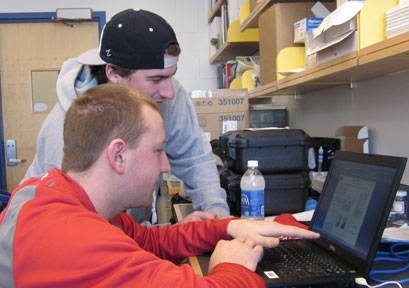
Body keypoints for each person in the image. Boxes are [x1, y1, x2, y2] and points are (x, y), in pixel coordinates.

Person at [0, 84, 319, 287]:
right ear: (118, 155)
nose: (167, 166)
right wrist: (231, 268)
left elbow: (149, 240)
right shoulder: (76, 239)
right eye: (157, 151)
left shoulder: (56, 196)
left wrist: (230, 226)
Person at [22, 8, 229, 224]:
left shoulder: (166, 96)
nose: (169, 92)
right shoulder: (66, 129)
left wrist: (218, 217)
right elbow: (80, 236)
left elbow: (193, 158)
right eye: (156, 79)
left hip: (127, 233)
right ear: (114, 74)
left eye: (171, 77)